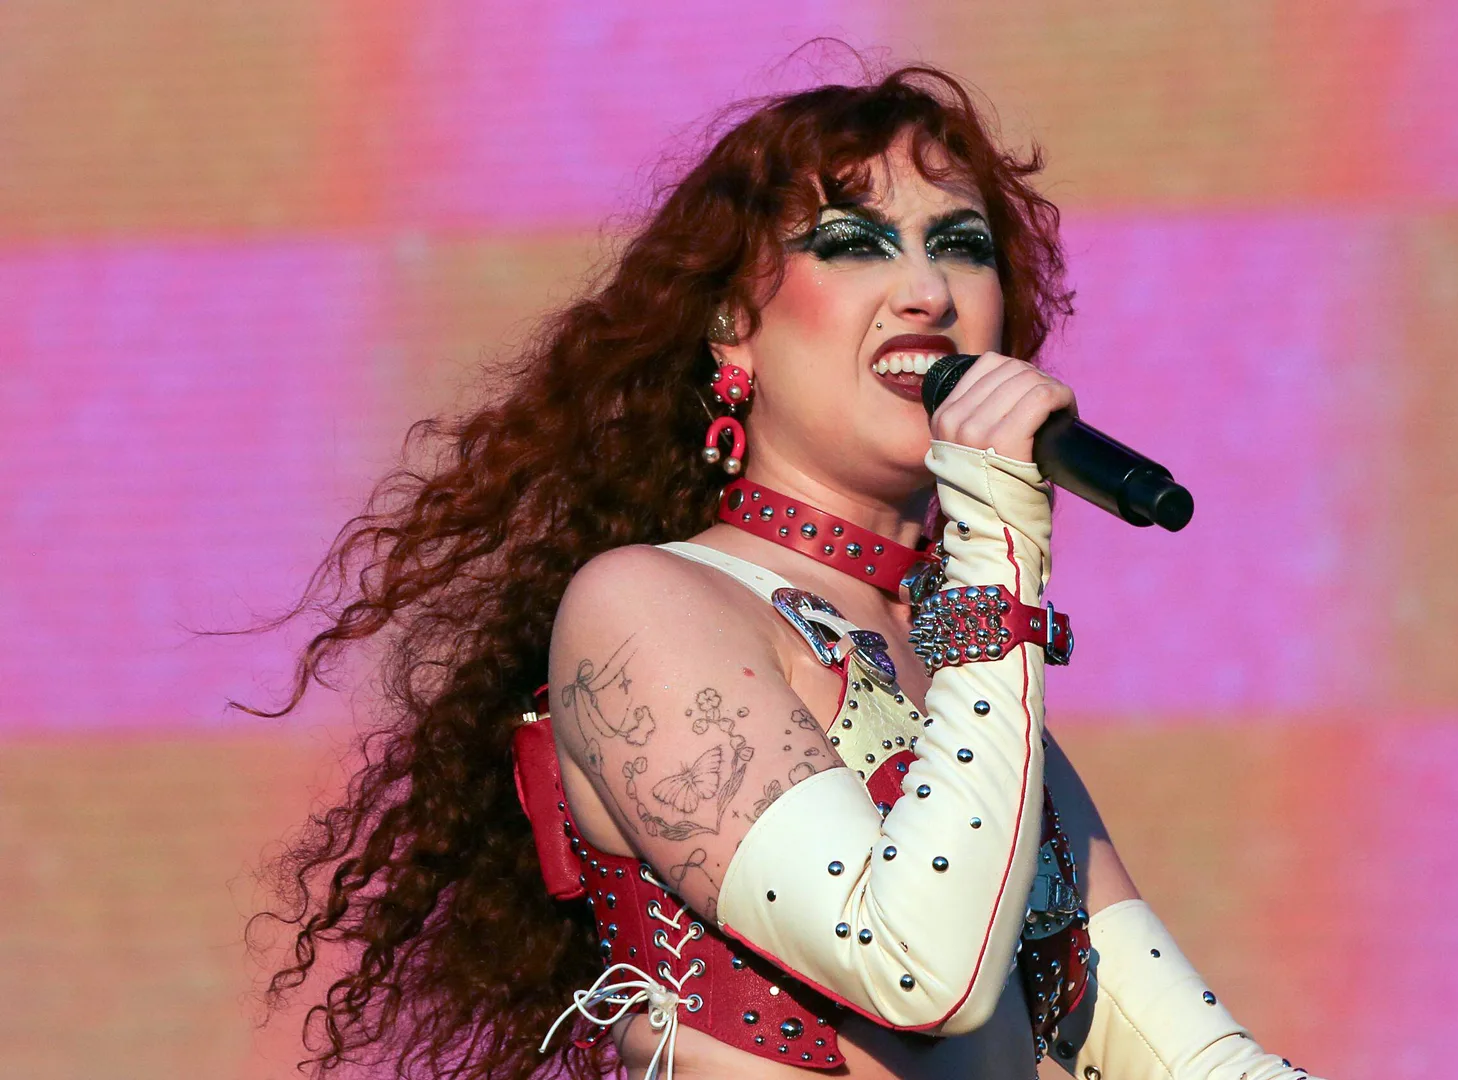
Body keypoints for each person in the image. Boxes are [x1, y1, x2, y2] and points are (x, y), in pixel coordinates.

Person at [255, 64, 1328, 1080]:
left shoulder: (967, 682)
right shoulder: (644, 606)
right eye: (856, 245)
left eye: (960, 244)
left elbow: (1191, 1059)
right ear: (733, 326)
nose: (927, 291)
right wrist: (997, 538)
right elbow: (916, 971)